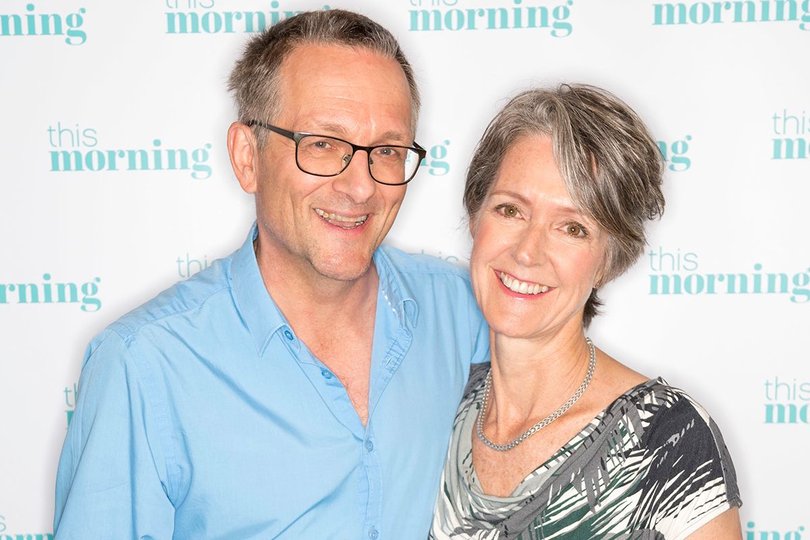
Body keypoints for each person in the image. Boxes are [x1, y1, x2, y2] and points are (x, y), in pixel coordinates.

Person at [54, 10, 488, 539]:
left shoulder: (469, 313)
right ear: (246, 156)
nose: (360, 187)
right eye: (323, 145)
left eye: (388, 152)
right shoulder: (144, 364)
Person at [430, 85, 742, 539]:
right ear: (475, 217)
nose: (527, 252)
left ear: (610, 260)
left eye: (571, 228)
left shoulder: (669, 441)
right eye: (510, 210)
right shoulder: (434, 409)